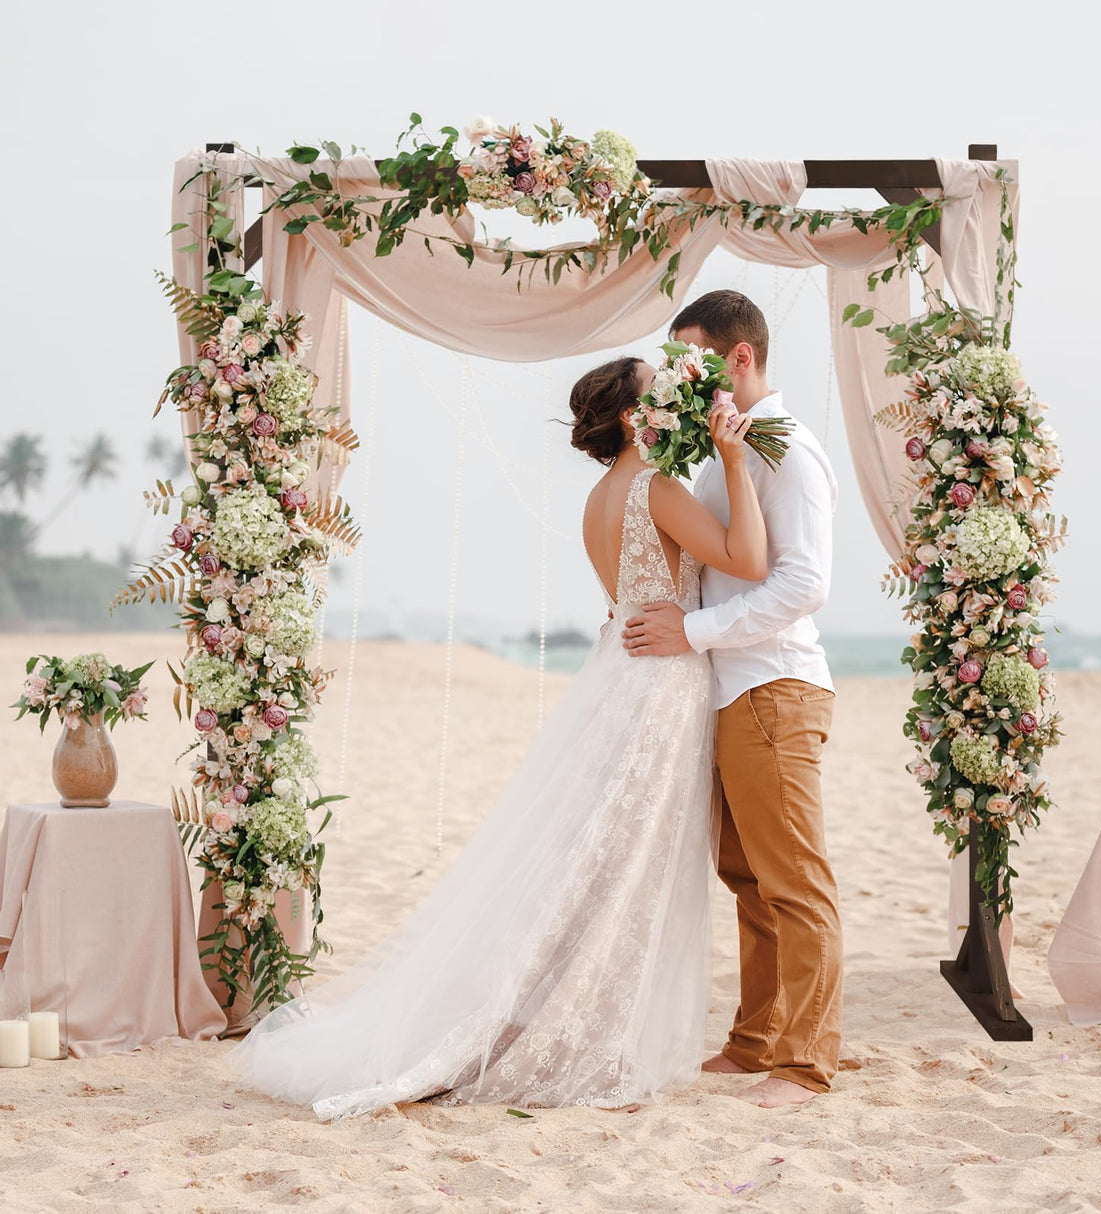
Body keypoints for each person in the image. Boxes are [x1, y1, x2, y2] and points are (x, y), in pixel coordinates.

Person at [228, 355, 767, 1118]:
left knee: (594, 861)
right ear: (630, 417)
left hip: (620, 673)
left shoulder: (599, 498)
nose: (675, 397)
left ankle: (546, 1010)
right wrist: (737, 462)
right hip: (658, 688)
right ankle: (571, 1029)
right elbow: (747, 559)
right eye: (661, 390)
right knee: (626, 868)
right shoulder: (657, 488)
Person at [622, 289, 843, 1109]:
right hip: (728, 689)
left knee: (795, 882)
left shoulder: (789, 451)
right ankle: (756, 1043)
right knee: (747, 879)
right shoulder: (726, 451)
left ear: (738, 358)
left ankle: (807, 1063)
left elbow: (804, 585)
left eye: (692, 358)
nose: (681, 374)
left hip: (774, 686)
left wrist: (697, 630)